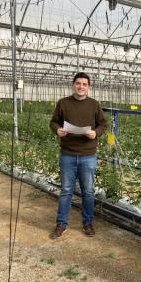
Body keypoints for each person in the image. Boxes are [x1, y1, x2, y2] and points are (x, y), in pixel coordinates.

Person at [49, 72, 107, 239]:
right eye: (78, 83)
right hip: (67, 153)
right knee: (66, 190)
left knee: (88, 191)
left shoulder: (94, 105)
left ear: (88, 87)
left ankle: (87, 222)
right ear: (73, 85)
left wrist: (95, 133)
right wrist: (57, 130)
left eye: (84, 84)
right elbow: (53, 121)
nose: (81, 86)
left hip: (88, 154)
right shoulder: (63, 103)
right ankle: (61, 224)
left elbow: (103, 124)